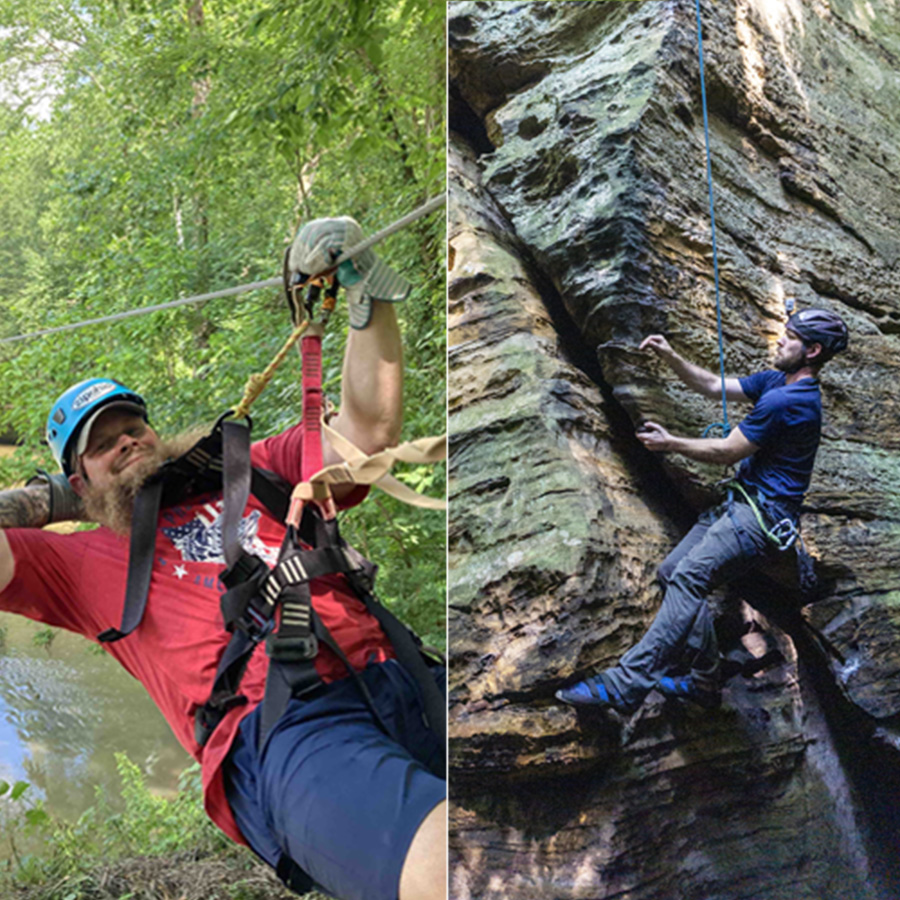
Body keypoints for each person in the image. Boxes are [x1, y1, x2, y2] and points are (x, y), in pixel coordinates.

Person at [0, 218, 446, 900]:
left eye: (133, 425)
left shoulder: (250, 468)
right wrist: (43, 503)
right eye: (103, 444)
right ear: (78, 480)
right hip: (286, 733)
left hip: (402, 674)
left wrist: (366, 301)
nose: (128, 441)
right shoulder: (76, 563)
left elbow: (369, 432)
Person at [556, 307, 849, 713]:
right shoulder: (777, 382)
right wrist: (671, 356)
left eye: (791, 336)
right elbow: (713, 385)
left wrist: (671, 442)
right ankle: (705, 680)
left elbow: (729, 451)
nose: (780, 340)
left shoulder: (790, 400)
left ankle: (624, 685)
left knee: (691, 577)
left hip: (758, 520)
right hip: (740, 505)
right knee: (673, 572)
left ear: (812, 350)